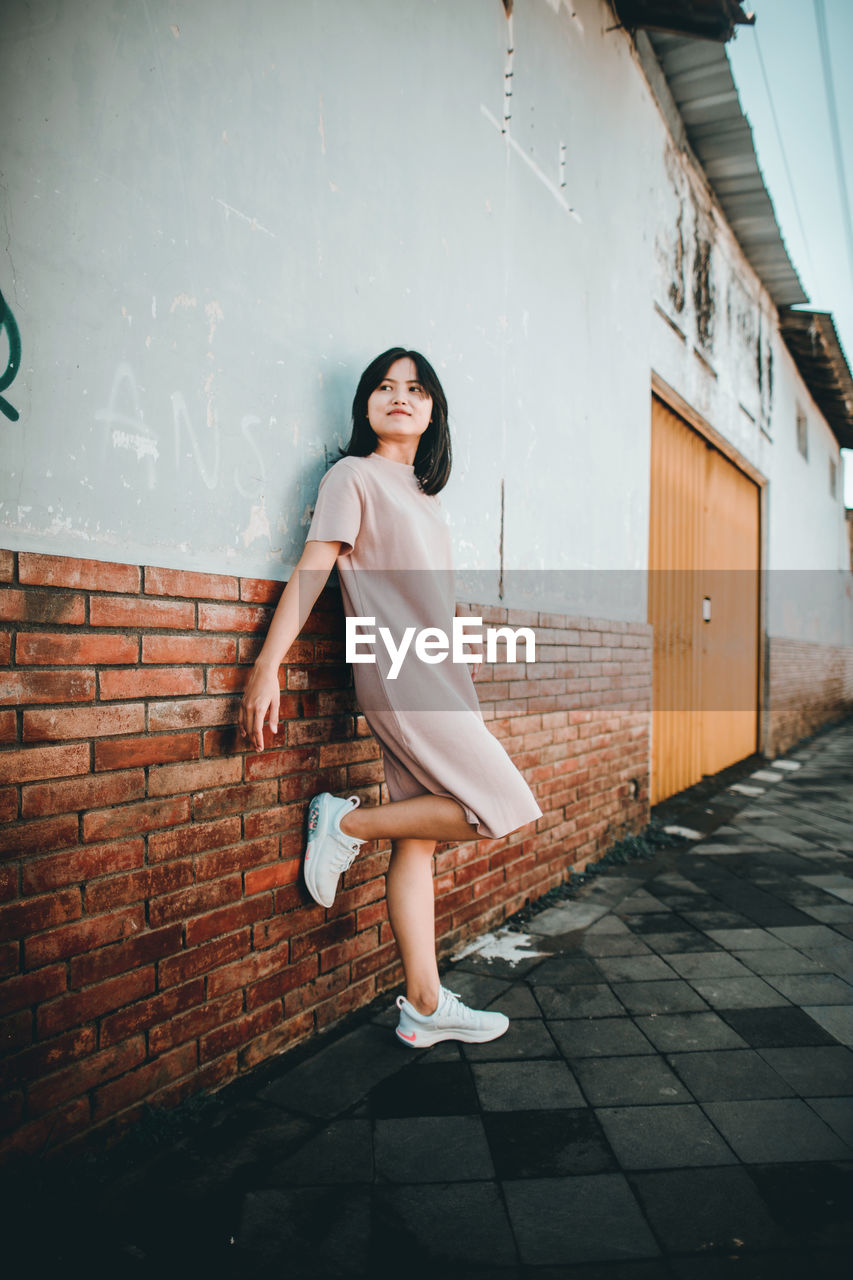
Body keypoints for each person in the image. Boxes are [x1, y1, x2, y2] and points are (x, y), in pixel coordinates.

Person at [239, 347, 542, 1048]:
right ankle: (343, 825)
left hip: (439, 674)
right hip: (402, 677)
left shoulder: (423, 493)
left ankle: (424, 1004)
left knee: (417, 843)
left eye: (413, 388)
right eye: (383, 386)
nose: (397, 395)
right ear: (365, 406)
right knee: (496, 807)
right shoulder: (353, 475)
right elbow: (313, 569)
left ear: (432, 409)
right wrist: (267, 665)